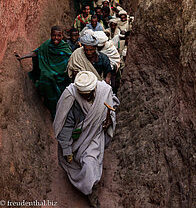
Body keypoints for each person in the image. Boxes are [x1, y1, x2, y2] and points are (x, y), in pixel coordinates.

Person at [53, 71, 120, 206]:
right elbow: (65, 126)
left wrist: (109, 119)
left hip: (95, 134)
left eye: (89, 93)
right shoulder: (71, 97)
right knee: (74, 162)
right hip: (77, 137)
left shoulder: (104, 90)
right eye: (83, 94)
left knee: (90, 165)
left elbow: (113, 104)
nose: (86, 97)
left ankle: (89, 190)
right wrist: (67, 150)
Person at [15, 26, 72, 119]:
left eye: (59, 36)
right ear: (51, 35)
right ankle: (52, 111)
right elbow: (36, 53)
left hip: (62, 78)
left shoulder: (65, 48)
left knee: (62, 97)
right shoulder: (47, 45)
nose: (56, 38)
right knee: (46, 80)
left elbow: (71, 63)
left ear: (62, 36)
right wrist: (22, 57)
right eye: (54, 35)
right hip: (49, 76)